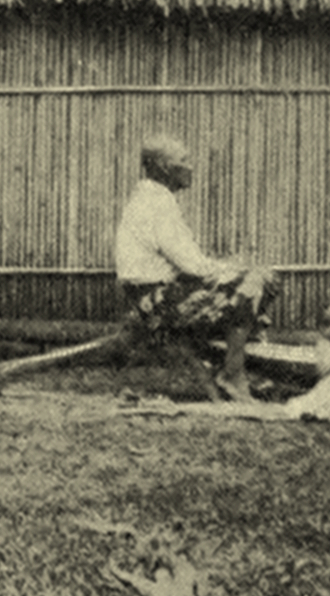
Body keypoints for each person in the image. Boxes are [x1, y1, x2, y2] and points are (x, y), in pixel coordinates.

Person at [113, 133, 275, 402]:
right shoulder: (157, 202)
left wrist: (228, 269)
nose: (190, 167)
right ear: (165, 166)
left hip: (152, 298)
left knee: (250, 278)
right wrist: (237, 270)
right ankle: (232, 373)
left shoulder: (151, 198)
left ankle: (237, 368)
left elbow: (190, 262)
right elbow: (193, 266)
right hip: (155, 304)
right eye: (184, 160)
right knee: (257, 281)